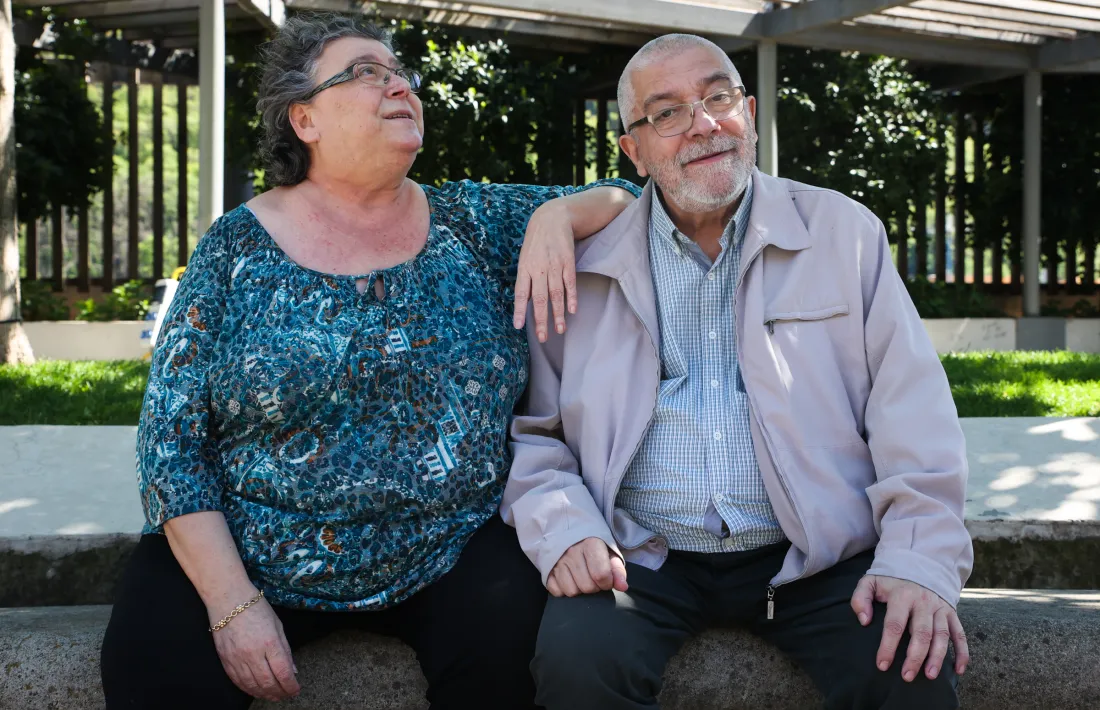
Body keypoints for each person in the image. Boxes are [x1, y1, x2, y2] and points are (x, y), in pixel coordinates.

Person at [99, 13, 639, 710]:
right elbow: (171, 442)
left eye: (400, 73)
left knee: (518, 657)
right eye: (364, 73)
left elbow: (626, 198)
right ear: (304, 120)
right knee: (153, 669)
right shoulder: (235, 247)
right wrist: (232, 601)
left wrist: (556, 216)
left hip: (451, 544)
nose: (399, 86)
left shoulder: (474, 221)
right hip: (254, 543)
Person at [502, 34, 972, 710]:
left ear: (748, 113)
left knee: (908, 666)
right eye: (667, 112)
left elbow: (914, 417)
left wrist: (917, 561)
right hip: (641, 556)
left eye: (717, 97)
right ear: (634, 150)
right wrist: (568, 530)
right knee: (577, 663)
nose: (703, 123)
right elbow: (538, 435)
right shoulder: (584, 266)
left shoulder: (842, 233)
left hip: (820, 557)